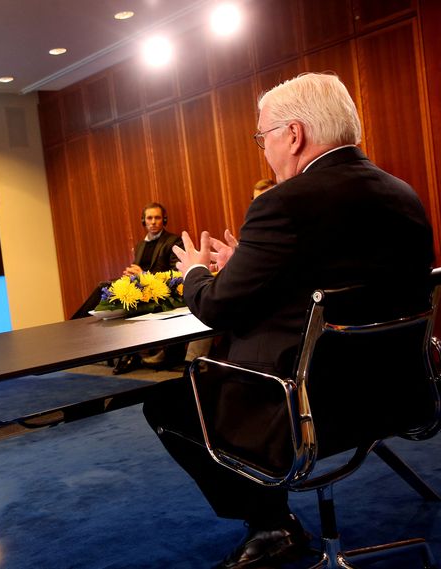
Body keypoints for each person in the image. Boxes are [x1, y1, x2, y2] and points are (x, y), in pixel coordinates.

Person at [143, 72, 434, 569]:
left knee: (167, 403)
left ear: (293, 135)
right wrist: (247, 263)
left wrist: (194, 270)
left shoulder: (282, 204)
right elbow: (337, 282)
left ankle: (270, 523)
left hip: (308, 406)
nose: (265, 150)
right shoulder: (401, 194)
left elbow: (216, 307)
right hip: (397, 395)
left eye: (263, 137)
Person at [112, 202, 184, 374]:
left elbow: (176, 274)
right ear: (143, 221)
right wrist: (132, 275)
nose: (153, 222)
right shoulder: (140, 245)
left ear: (164, 220)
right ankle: (132, 354)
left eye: (157, 218)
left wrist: (143, 274)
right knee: (110, 290)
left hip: (164, 291)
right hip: (142, 289)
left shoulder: (173, 241)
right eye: (149, 218)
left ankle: (133, 355)